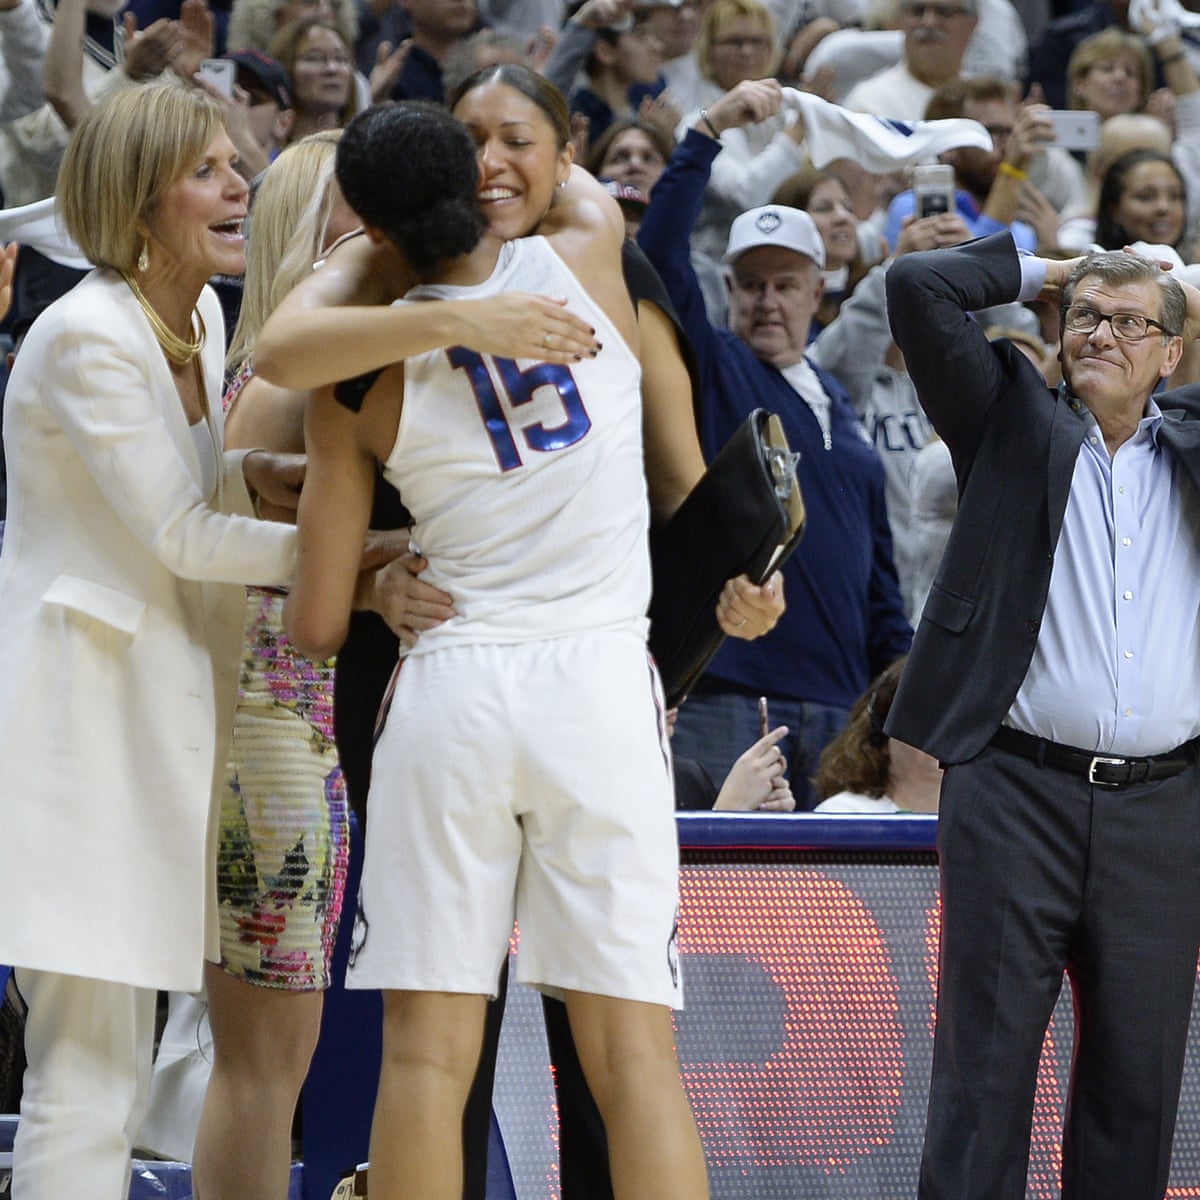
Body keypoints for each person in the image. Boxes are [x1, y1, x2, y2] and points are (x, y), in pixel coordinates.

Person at [283, 96, 715, 1200]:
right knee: (636, 1062)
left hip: (453, 696)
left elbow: (318, 624)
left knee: (427, 1061)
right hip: (601, 691)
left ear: (367, 229)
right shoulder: (588, 251)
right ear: (480, 180)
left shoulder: (357, 380)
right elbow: (559, 174)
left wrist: (384, 580)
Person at [0, 79, 302, 1200]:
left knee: (116, 1072)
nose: (242, 185)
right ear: (139, 202)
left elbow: (192, 488)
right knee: (83, 1070)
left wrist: (268, 477)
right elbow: (179, 534)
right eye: (211, 172)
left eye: (239, 162)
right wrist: (344, 553)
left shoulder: (197, 314)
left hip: (146, 727)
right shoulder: (85, 333)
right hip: (77, 731)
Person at [886, 231, 1200, 1198]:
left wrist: (1172, 281)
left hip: (1165, 808)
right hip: (1013, 792)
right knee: (982, 1087)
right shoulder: (1006, 416)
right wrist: (1063, 272)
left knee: (1134, 1096)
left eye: (1130, 323)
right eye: (1087, 318)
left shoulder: (1195, 444)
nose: (1102, 333)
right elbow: (917, 284)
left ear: (1171, 355)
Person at [638, 77, 913, 810]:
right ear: (726, 289)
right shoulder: (714, 368)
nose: (767, 301)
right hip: (731, 693)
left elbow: (880, 582)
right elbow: (659, 254)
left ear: (818, 288)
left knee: (834, 914)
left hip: (848, 708)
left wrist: (902, 693)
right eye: (750, 284)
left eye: (785, 284)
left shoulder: (844, 409)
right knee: (723, 901)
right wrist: (703, 136)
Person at [190, 129, 357, 1200]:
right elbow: (232, 519)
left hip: (294, 729)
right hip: (270, 732)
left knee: (271, 1064)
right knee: (262, 1066)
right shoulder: (285, 367)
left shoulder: (307, 355)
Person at [813, 656, 941, 812]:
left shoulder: (976, 823)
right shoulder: (843, 813)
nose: (943, 733)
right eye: (925, 718)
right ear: (880, 738)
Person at [842, 0, 978, 120]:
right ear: (902, 20)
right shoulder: (869, 106)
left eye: (944, 12)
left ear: (972, 23)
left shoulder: (987, 105)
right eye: (918, 11)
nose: (928, 22)